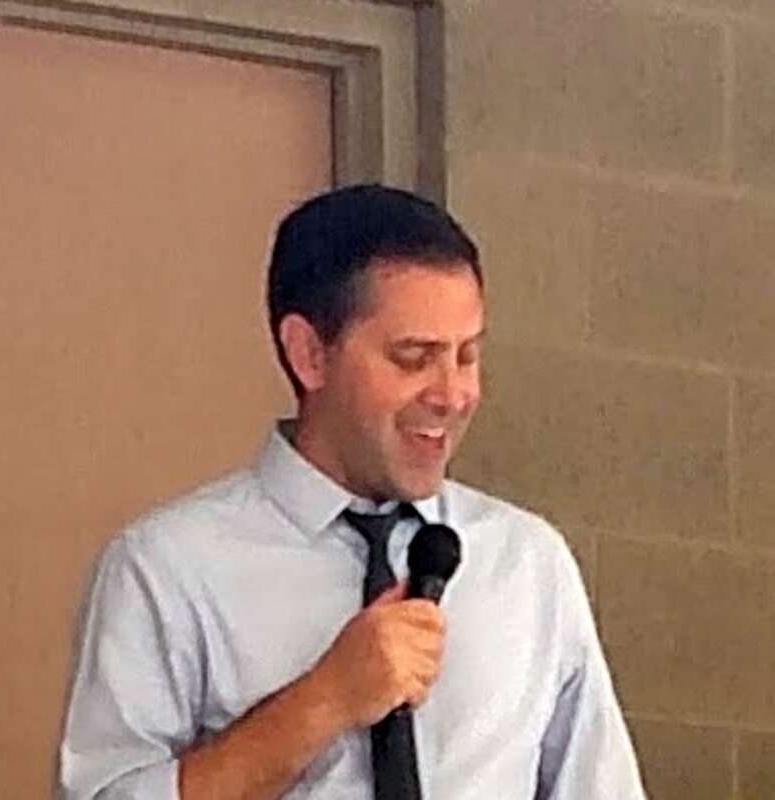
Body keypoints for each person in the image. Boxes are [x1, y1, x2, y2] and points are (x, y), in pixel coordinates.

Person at [56, 185, 647, 799]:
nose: (452, 395)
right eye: (414, 357)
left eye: (467, 356)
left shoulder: (528, 564)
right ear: (309, 354)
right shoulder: (166, 569)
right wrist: (323, 702)